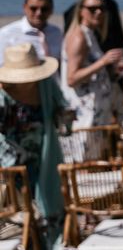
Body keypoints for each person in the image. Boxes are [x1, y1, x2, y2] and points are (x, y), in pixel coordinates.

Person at [0, 43, 69, 249]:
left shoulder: (45, 84)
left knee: (49, 202)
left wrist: (64, 117)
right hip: (12, 164)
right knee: (21, 212)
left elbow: (61, 106)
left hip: (45, 153)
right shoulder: (2, 95)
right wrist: (12, 159)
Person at [61, 0, 123, 129]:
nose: (98, 12)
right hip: (84, 117)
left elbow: (90, 71)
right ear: (81, 11)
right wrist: (103, 62)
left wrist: (111, 71)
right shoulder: (79, 36)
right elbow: (72, 79)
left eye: (102, 8)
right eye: (92, 9)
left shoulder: (90, 34)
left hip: (96, 112)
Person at [0, 0, 64, 70]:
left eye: (44, 9)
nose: (39, 13)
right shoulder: (6, 34)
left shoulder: (56, 32)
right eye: (33, 8)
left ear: (51, 10)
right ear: (25, 8)